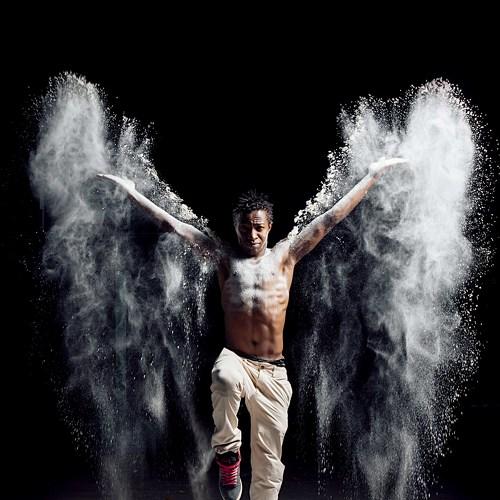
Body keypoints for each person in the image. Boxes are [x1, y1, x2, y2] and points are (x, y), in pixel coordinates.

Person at [97, 156, 407, 500]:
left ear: (270, 226)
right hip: (236, 358)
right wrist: (132, 192)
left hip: (274, 372)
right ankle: (228, 456)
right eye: (245, 228)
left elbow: (330, 219)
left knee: (269, 470)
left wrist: (372, 176)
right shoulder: (223, 259)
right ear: (236, 227)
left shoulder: (286, 256)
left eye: (259, 227)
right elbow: (173, 225)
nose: (252, 234)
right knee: (224, 378)